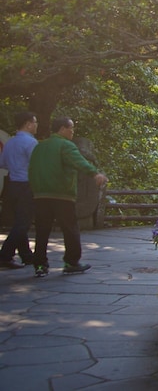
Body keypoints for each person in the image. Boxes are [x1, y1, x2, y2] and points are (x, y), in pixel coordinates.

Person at [29, 116, 108, 277]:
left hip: (40, 194)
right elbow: (79, 162)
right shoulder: (66, 146)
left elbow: (31, 169)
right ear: (62, 129)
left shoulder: (39, 146)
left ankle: (40, 264)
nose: (72, 131)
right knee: (70, 228)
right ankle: (71, 262)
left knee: (42, 230)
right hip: (61, 194)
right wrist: (95, 174)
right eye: (71, 128)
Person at [0, 112, 38, 269]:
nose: (36, 125)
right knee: (23, 222)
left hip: (12, 184)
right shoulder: (30, 142)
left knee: (19, 221)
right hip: (25, 184)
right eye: (35, 122)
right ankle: (5, 255)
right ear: (28, 124)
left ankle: (27, 256)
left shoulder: (10, 142)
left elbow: (3, 163)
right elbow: (36, 164)